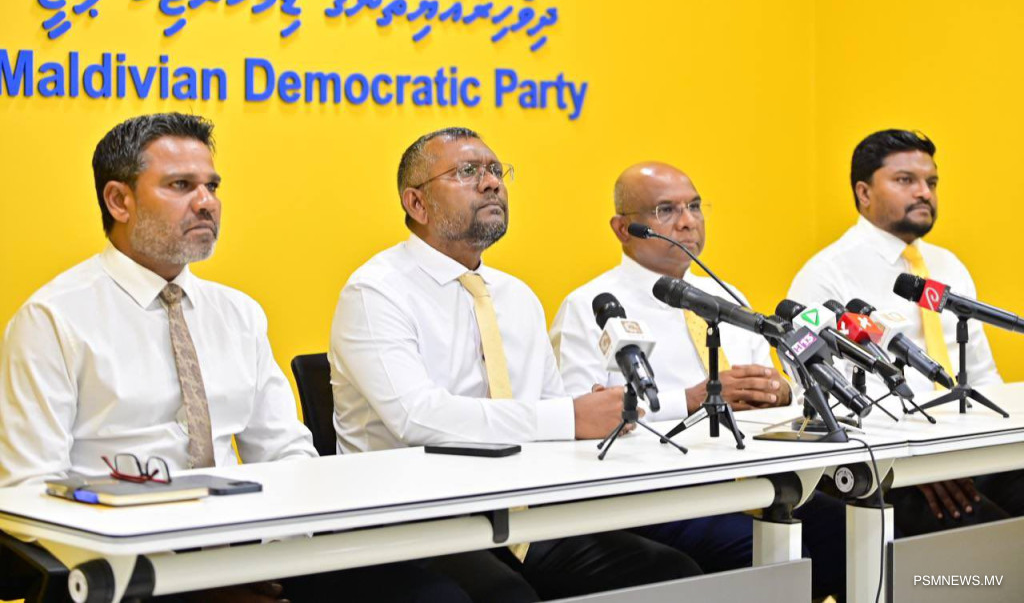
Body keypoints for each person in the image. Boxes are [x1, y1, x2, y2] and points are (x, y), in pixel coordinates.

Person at [0, 113, 467, 603]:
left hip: (246, 549)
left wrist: (275, 558)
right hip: (126, 570)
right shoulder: (54, 319)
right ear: (119, 200)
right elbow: (28, 494)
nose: (206, 203)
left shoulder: (238, 313)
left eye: (212, 186)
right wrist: (184, 582)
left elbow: (286, 454)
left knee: (432, 595)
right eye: (181, 185)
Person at [330, 128, 701, 602]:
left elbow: (551, 409)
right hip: (414, 519)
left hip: (522, 512)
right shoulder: (376, 292)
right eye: (467, 172)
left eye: (495, 170)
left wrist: (596, 415)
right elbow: (416, 417)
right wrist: (569, 417)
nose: (491, 183)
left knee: (673, 575)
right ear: (416, 204)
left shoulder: (515, 296)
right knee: (506, 595)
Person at [550, 161, 844, 600]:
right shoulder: (589, 305)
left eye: (695, 206)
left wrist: (780, 391)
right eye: (665, 210)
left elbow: (773, 393)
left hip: (750, 478)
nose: (688, 222)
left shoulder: (726, 297)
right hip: (656, 492)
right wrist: (691, 400)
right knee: (768, 555)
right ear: (622, 228)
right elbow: (583, 421)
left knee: (849, 530)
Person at [788, 128, 1024, 534]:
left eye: (931, 182)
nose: (924, 193)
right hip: (890, 463)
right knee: (1001, 538)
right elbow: (820, 394)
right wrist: (917, 460)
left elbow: (983, 375)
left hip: (970, 449)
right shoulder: (827, 275)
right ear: (863, 192)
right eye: (905, 180)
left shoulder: (948, 266)